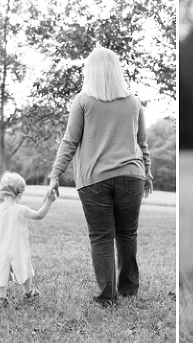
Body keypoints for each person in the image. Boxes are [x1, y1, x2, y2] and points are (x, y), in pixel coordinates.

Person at [46, 47, 153, 307]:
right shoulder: (133, 102)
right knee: (128, 234)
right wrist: (147, 173)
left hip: (94, 179)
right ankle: (129, 290)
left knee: (101, 236)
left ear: (90, 71)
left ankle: (108, 297)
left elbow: (70, 141)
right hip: (131, 177)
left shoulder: (83, 101)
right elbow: (142, 144)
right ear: (116, 70)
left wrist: (55, 175)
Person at [0, 172, 56, 307]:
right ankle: (27, 292)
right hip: (17, 248)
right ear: (19, 193)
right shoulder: (20, 209)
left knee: (0, 272)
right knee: (24, 268)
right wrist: (49, 201)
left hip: (0, 251)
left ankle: (1, 298)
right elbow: (39, 215)